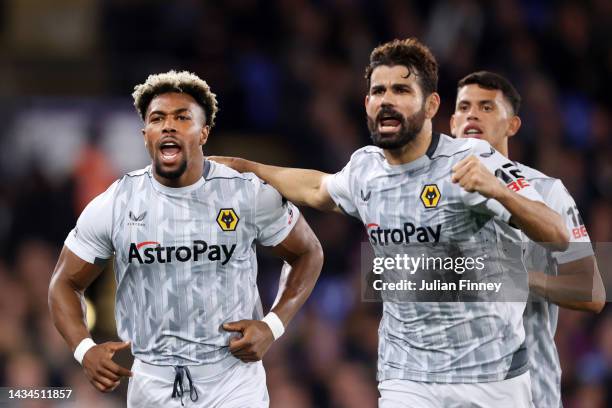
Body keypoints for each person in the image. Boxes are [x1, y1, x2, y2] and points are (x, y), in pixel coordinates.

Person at [209, 38, 570, 407]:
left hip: (491, 376)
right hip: (407, 376)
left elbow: (558, 235)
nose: (386, 100)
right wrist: (247, 167)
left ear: (431, 105)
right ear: (366, 103)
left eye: (401, 90)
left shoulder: (474, 158)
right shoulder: (366, 168)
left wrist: (499, 191)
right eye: (378, 91)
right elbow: (319, 188)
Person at [48, 70, 324, 407]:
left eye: (183, 118)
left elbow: (308, 252)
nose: (168, 126)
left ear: (203, 132)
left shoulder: (245, 193)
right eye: (157, 118)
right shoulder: (116, 202)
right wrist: (84, 349)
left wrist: (272, 325)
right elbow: (63, 282)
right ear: (145, 134)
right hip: (151, 381)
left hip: (233, 380)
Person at [451, 70, 605, 407]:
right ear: (451, 123)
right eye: (463, 107)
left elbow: (592, 291)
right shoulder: (428, 195)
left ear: (512, 125)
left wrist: (518, 279)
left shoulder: (548, 192)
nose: (472, 114)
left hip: (529, 392)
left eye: (487, 107)